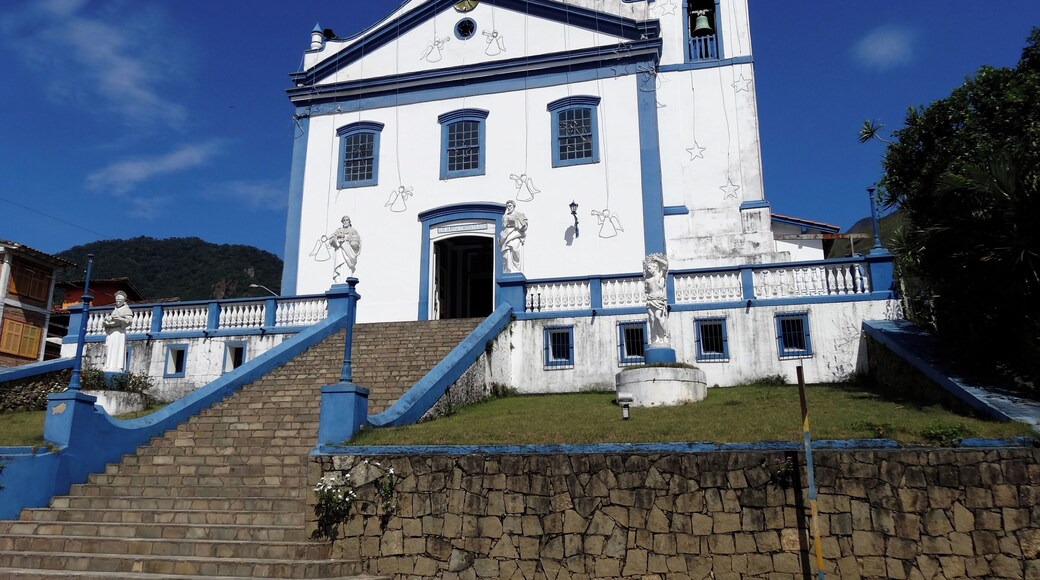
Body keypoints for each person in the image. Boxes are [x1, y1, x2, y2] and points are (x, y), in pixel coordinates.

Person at [102, 291, 134, 372]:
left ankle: (117, 366)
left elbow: (129, 321)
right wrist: (107, 320)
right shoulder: (115, 310)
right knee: (110, 348)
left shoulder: (127, 310)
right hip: (112, 332)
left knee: (118, 348)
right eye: (117, 300)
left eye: (120, 301)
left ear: (123, 301)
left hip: (119, 332)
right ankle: (109, 365)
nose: (118, 302)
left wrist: (120, 320)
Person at [643, 253, 669, 346]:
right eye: (647, 268)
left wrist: (657, 258)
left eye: (649, 268)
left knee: (658, 317)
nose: (648, 270)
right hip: (650, 300)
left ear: (655, 268)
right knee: (652, 319)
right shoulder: (647, 280)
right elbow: (646, 291)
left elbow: (666, 265)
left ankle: (664, 335)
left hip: (658, 301)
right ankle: (655, 338)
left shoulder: (659, 276)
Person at [329, 215, 362, 281]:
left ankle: (347, 280)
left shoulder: (353, 231)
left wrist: (347, 241)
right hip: (340, 251)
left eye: (347, 220)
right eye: (344, 220)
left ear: (349, 221)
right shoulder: (339, 230)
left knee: (348, 267)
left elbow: (357, 243)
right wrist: (337, 239)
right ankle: (339, 280)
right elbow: (331, 239)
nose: (345, 222)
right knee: (340, 265)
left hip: (349, 252)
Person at [500, 200, 528, 273]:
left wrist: (516, 223)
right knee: (507, 253)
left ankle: (516, 269)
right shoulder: (505, 216)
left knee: (515, 250)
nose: (508, 208)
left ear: (513, 206)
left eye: (510, 206)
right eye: (507, 206)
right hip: (507, 236)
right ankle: (508, 269)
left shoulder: (520, 215)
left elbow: (524, 226)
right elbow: (503, 227)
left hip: (516, 235)